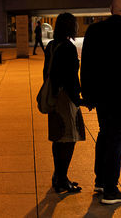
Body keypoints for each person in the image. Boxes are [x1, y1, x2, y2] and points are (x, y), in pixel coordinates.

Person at [80, 0, 121, 204]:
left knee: (105, 134)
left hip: (101, 97)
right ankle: (110, 189)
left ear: (110, 8)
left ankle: (100, 180)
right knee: (115, 140)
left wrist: (88, 95)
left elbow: (86, 66)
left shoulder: (94, 31)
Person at [43, 13, 86, 193]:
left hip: (54, 96)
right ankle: (62, 179)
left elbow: (47, 72)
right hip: (65, 99)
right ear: (71, 27)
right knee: (69, 139)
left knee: (59, 138)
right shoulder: (68, 47)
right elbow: (71, 79)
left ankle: (59, 176)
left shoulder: (52, 46)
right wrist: (80, 100)